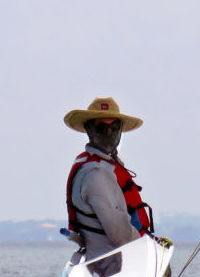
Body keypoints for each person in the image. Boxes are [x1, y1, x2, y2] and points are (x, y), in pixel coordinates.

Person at [64, 96, 151, 261]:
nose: (109, 132)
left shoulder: (105, 165)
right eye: (101, 127)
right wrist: (149, 253)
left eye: (114, 126)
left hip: (119, 264)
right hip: (111, 267)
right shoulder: (95, 173)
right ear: (89, 130)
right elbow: (120, 233)